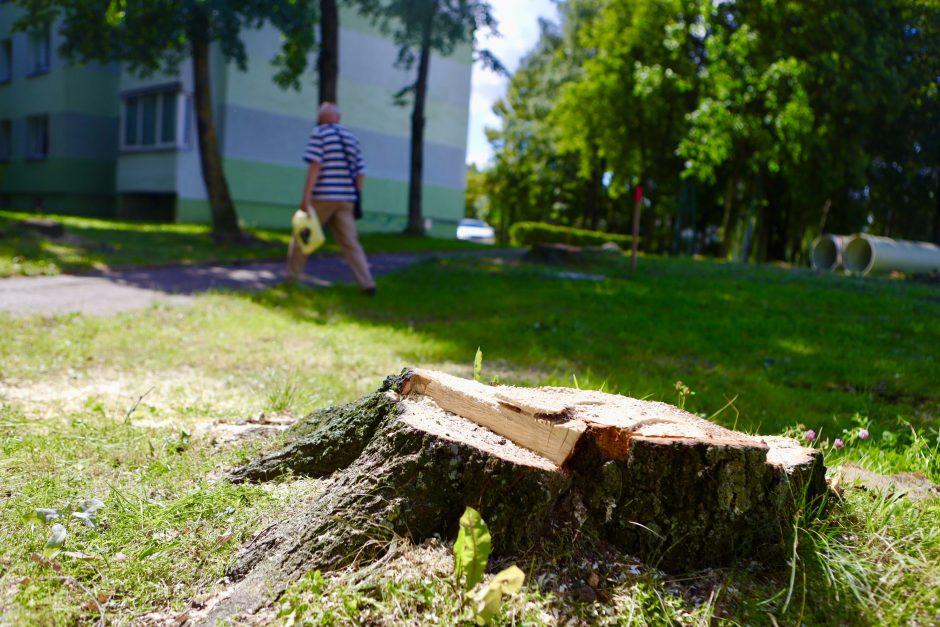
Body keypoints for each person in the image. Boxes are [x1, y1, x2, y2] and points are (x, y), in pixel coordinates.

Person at [288, 102, 376, 295]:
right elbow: (361, 172)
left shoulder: (319, 134)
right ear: (339, 118)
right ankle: (367, 283)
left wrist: (306, 197)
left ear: (320, 118)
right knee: (351, 243)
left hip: (323, 196)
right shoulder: (352, 138)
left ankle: (291, 279)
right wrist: (356, 198)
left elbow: (315, 166)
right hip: (347, 199)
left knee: (302, 235)